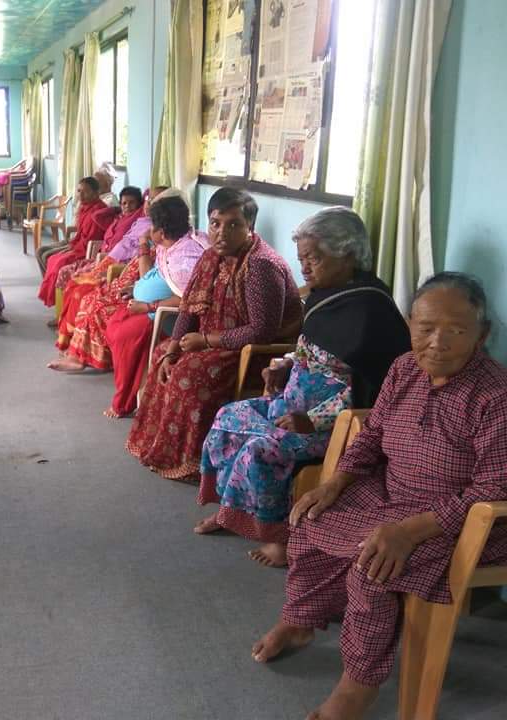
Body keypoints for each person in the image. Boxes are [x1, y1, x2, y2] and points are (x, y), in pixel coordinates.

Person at [252, 273, 507, 720]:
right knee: (309, 517)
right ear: (410, 325)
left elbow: (494, 488)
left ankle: (358, 685)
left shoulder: (496, 396)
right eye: (426, 328)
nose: (438, 342)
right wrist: (334, 483)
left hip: (461, 521)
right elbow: (371, 436)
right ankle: (301, 620)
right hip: (391, 494)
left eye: (456, 330)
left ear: (482, 334)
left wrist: (408, 532)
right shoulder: (404, 369)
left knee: (372, 566)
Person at [196, 207, 412, 568]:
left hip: (332, 427)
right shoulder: (325, 295)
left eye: (313, 258)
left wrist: (312, 420)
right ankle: (230, 510)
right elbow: (309, 350)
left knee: (262, 450)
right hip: (290, 405)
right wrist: (284, 366)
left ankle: (278, 537)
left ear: (347, 253)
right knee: (227, 417)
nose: (305, 268)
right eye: (301, 259)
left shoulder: (372, 313)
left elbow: (374, 388)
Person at [127, 188, 303, 481]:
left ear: (250, 227)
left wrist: (206, 341)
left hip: (253, 353)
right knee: (162, 356)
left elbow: (261, 331)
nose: (222, 233)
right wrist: (173, 348)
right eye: (215, 224)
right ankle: (161, 448)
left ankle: (196, 462)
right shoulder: (211, 256)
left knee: (190, 374)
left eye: (234, 224)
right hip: (212, 341)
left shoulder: (260, 265)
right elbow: (188, 307)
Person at [48, 194, 201, 376]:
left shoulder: (184, 259)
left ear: (161, 231)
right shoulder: (167, 243)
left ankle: (87, 358)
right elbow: (150, 276)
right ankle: (78, 354)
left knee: (100, 308)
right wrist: (135, 288)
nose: (149, 227)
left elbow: (186, 299)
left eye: (152, 223)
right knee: (91, 299)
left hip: (159, 312)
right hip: (136, 292)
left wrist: (147, 304)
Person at [53, 186, 148, 322]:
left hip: (113, 262)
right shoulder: (118, 218)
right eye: (124, 203)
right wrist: (116, 209)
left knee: (71, 278)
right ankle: (60, 316)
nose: (127, 206)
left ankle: (65, 319)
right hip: (102, 258)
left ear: (140, 204)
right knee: (65, 273)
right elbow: (97, 216)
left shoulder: (137, 219)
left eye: (132, 203)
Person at [37, 177, 114, 309]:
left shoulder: (99, 211)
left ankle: (55, 294)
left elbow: (91, 239)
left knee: (52, 258)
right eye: (79, 191)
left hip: (85, 248)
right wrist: (71, 243)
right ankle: (51, 287)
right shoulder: (84, 207)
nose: (81, 195)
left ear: (96, 193)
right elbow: (80, 231)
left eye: (85, 192)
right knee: (40, 251)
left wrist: (71, 248)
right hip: (76, 241)